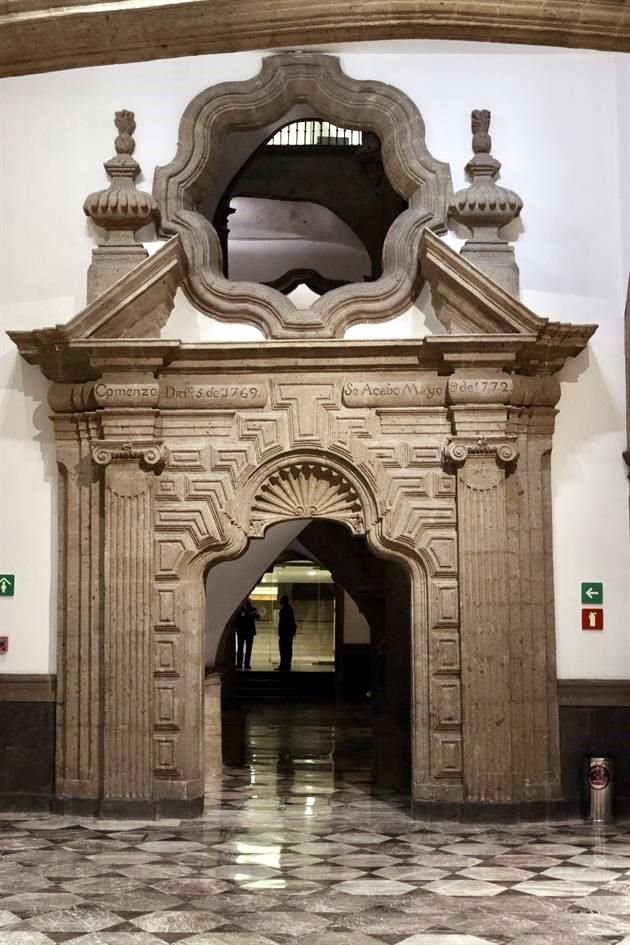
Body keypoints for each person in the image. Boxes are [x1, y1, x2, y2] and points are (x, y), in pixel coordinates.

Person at [234, 597, 259, 670]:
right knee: (240, 648)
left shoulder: (253, 609)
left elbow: (258, 617)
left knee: (248, 649)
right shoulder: (240, 610)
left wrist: (255, 614)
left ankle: (246, 664)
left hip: (249, 632)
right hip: (242, 631)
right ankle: (239, 664)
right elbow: (238, 619)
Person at [276, 594, 297, 671]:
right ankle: (285, 664)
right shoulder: (288, 609)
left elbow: (285, 623)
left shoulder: (286, 609)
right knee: (286, 650)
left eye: (281, 599)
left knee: (285, 650)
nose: (280, 601)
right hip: (286, 634)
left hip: (285, 634)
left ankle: (285, 665)